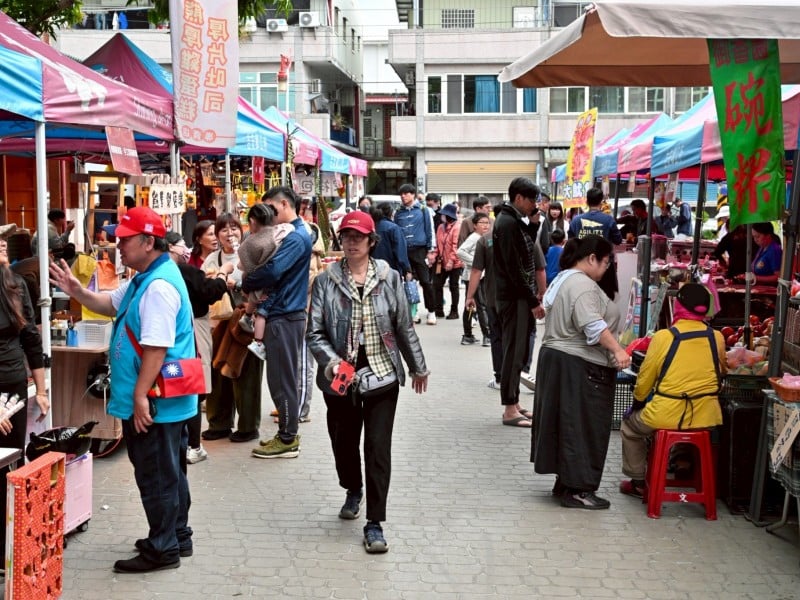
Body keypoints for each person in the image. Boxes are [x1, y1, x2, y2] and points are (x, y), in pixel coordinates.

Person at [49, 206, 196, 572]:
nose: (118, 245)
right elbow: (109, 303)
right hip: (166, 399)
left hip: (157, 400)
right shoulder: (145, 278)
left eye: (124, 240)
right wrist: (76, 290)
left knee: (156, 473)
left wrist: (140, 396)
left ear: (148, 242)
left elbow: (156, 348)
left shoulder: (158, 287)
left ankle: (162, 548)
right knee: (170, 470)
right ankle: (176, 535)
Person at [306, 210, 429, 554]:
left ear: (371, 241)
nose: (352, 242)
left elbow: (403, 325)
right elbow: (314, 332)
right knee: (343, 442)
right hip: (341, 375)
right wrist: (332, 363)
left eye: (359, 237)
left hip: (382, 371)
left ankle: (375, 522)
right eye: (347, 236)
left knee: (377, 447)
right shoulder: (326, 281)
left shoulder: (389, 278)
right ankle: (352, 487)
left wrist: (418, 367)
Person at [533, 235, 630, 510]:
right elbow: (593, 325)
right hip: (578, 364)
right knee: (584, 425)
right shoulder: (582, 285)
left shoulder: (563, 279)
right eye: (606, 263)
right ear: (591, 258)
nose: (606, 269)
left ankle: (566, 483)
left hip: (558, 360)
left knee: (566, 424)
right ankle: (579, 489)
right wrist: (618, 350)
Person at [619, 283, 726, 499]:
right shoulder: (717, 337)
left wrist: (637, 404)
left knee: (630, 427)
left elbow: (644, 381)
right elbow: (721, 370)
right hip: (706, 416)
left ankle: (638, 482)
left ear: (678, 306)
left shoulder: (664, 337)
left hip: (666, 414)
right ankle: (681, 462)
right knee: (687, 428)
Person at [243, 186, 312, 459]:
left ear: (284, 204)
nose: (269, 214)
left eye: (271, 208)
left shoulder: (295, 237)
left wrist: (247, 281)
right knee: (281, 379)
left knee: (282, 380)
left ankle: (287, 439)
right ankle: (286, 433)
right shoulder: (291, 233)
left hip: (285, 315)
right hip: (283, 314)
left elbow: (272, 270)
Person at [0, 233, 49, 554]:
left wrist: (41, 390)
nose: (2, 243)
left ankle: (9, 548)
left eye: (3, 240)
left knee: (11, 464)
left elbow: (31, 339)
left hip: (13, 387)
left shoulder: (16, 284)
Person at [165, 231, 230, 464]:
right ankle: (193, 445)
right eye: (181, 244)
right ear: (171, 247)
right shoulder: (184, 271)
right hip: (193, 332)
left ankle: (181, 442)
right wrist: (223, 274)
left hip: (170, 338)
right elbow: (211, 292)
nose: (185, 249)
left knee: (178, 384)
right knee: (193, 386)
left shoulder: (159, 273)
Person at [201, 213, 263, 443]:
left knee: (246, 373)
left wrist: (235, 285)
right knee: (218, 372)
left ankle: (248, 426)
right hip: (219, 323)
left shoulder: (251, 254)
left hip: (246, 321)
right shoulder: (212, 259)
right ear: (217, 235)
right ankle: (219, 423)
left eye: (234, 228)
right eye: (224, 229)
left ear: (242, 230)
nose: (230, 233)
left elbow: (261, 286)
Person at [493, 177, 547, 428]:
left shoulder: (513, 221)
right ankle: (509, 409)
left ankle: (513, 403)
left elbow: (526, 251)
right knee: (514, 352)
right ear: (518, 198)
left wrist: (534, 225)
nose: (534, 205)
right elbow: (514, 269)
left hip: (517, 296)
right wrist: (532, 300)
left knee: (519, 351)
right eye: (531, 200)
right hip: (513, 298)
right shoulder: (507, 223)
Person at [235, 203, 294, 360]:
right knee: (262, 311)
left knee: (261, 311)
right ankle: (251, 326)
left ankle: (257, 338)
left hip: (259, 283)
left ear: (252, 221)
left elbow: (248, 268)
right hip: (278, 285)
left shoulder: (250, 243)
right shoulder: (282, 232)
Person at [466, 205, 504, 388]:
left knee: (497, 336)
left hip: (494, 297)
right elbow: (539, 269)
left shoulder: (486, 240)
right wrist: (540, 293)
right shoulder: (525, 236)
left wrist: (469, 296)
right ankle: (520, 371)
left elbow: (476, 271)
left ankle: (500, 377)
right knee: (517, 337)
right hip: (518, 300)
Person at [568, 187, 623, 299]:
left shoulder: (576, 220)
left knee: (583, 298)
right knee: (605, 299)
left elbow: (571, 241)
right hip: (604, 267)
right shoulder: (608, 220)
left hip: (582, 266)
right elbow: (618, 240)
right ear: (601, 202)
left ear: (587, 201)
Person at [394, 184, 437, 324]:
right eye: (401, 194)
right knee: (408, 282)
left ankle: (431, 312)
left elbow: (430, 230)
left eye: (406, 193)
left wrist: (431, 250)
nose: (403, 196)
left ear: (413, 194)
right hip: (404, 251)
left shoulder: (424, 210)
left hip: (420, 250)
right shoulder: (398, 212)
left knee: (425, 282)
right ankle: (413, 312)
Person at [457, 212, 492, 345]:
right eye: (482, 223)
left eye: (487, 223)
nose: (485, 225)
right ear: (475, 225)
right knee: (481, 305)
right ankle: (487, 335)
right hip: (473, 276)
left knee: (471, 305)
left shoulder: (483, 238)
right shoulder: (474, 237)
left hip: (477, 275)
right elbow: (460, 251)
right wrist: (477, 262)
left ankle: (467, 335)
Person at [431, 203, 463, 321]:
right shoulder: (440, 227)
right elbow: (437, 244)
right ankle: (438, 309)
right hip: (441, 261)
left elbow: (456, 246)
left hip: (455, 262)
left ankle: (454, 311)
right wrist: (433, 255)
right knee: (437, 284)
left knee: (453, 286)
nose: (442, 216)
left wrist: (451, 261)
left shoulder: (457, 227)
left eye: (444, 215)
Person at [370, 202, 411, 278]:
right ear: (391, 213)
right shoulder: (393, 228)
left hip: (372, 268)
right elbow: (400, 251)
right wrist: (407, 268)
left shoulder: (372, 227)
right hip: (391, 269)